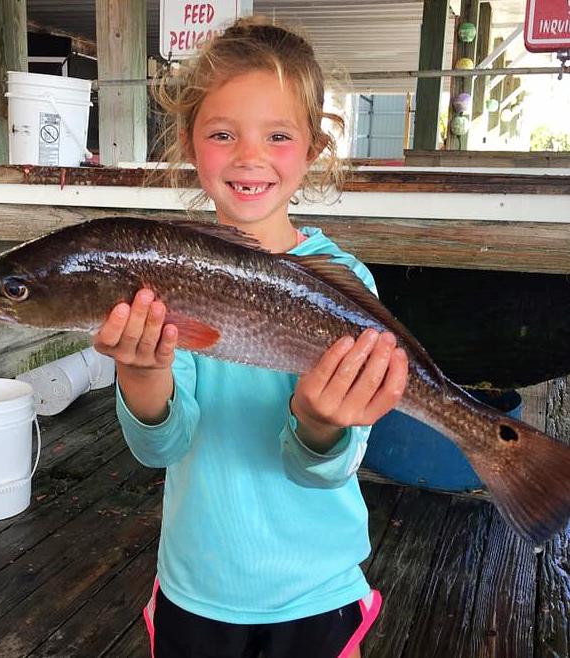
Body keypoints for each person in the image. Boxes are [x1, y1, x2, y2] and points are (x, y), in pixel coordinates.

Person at [94, 16, 408, 658]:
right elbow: (161, 447)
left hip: (317, 589)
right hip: (197, 585)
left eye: (278, 135)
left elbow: (332, 467)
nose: (249, 156)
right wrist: (142, 371)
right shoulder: (164, 271)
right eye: (222, 133)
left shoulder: (347, 282)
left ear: (314, 148)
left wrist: (321, 425)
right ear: (189, 143)